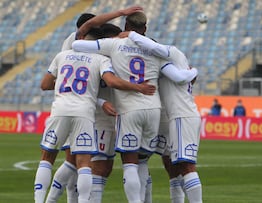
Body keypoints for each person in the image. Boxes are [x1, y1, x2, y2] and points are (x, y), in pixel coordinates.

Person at [73, 11, 198, 203]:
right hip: (154, 110)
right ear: (145, 29)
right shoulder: (156, 53)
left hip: (129, 109)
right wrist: (193, 72)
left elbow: (77, 45)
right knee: (143, 161)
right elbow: (178, 76)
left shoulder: (115, 44)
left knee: (130, 163)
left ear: (125, 27)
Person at [33, 27, 156, 203]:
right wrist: (139, 87)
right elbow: (112, 81)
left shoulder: (63, 55)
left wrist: (68, 86)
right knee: (86, 164)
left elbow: (45, 84)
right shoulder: (101, 59)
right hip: (88, 115)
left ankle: (42, 200)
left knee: (50, 158)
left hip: (61, 110)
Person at [45, 24, 123, 203]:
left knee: (79, 163)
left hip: (84, 114)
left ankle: (54, 200)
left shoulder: (90, 54)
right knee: (92, 166)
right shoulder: (96, 56)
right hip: (93, 117)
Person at [125, 30, 202, 203]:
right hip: (170, 116)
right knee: (172, 165)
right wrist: (194, 73)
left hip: (181, 115)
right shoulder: (164, 62)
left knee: (186, 165)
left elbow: (180, 77)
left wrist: (130, 34)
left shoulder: (166, 57)